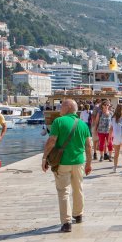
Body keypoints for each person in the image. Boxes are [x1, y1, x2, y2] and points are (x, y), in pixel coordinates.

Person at [41, 99, 92, 233]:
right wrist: (89, 163)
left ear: (68, 107)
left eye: (62, 106)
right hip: (79, 161)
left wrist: (44, 157)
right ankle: (79, 214)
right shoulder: (83, 124)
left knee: (63, 191)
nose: (59, 109)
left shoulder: (59, 121)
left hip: (63, 162)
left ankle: (66, 222)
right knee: (78, 188)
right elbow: (89, 146)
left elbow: (51, 141)